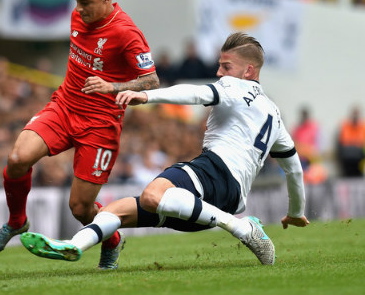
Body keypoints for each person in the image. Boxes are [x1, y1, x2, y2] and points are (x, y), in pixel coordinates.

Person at [19, 32, 310, 266]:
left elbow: (196, 93)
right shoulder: (275, 115)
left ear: (249, 70)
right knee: (116, 210)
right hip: (220, 201)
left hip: (215, 173)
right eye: (220, 66)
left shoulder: (237, 88)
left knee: (152, 194)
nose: (219, 73)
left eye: (226, 66)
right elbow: (294, 168)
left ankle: (241, 228)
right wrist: (296, 212)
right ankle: (73, 245)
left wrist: (145, 95)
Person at [0, 0, 160, 270]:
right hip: (64, 107)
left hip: (100, 125)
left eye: (86, 2)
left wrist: (112, 86)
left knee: (80, 208)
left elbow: (152, 80)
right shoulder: (78, 15)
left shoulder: (126, 33)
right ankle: (16, 222)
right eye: (76, 1)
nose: (79, 9)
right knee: (16, 158)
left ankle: (112, 240)